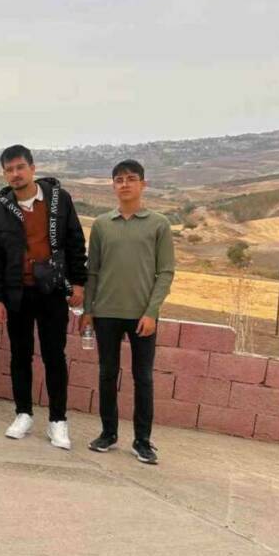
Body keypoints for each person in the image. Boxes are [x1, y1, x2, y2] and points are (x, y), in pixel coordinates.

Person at [0, 144, 87, 449]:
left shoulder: (59, 200)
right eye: (9, 169)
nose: (15, 174)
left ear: (32, 168)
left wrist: (78, 284)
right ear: (4, 173)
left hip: (53, 291)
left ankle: (58, 421)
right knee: (20, 356)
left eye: (19, 167)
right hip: (17, 293)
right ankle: (23, 413)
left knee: (55, 357)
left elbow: (75, 241)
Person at [83, 160, 174, 465]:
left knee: (143, 378)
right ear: (113, 186)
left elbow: (165, 272)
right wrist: (88, 309)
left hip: (142, 316)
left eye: (131, 179)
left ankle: (143, 441)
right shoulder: (101, 224)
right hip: (106, 313)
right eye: (119, 179)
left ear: (143, 184)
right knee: (108, 374)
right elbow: (92, 271)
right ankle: (108, 433)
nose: (125, 184)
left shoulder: (158, 223)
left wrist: (152, 312)